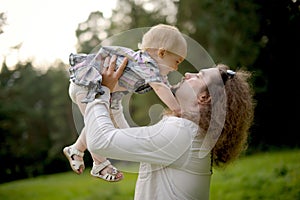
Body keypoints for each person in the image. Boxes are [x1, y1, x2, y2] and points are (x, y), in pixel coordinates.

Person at [81, 55, 255, 199]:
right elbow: (125, 138)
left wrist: (100, 90)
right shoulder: (190, 132)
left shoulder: (182, 133)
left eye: (199, 76)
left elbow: (99, 142)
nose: (188, 74)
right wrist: (114, 98)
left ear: (204, 97)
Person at [63, 24, 187, 182]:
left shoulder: (157, 72)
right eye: (177, 61)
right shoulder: (146, 63)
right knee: (96, 125)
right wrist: (177, 109)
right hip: (87, 86)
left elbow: (167, 88)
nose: (176, 67)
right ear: (161, 53)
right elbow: (160, 88)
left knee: (125, 133)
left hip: (108, 96)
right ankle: (99, 164)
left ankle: (76, 149)